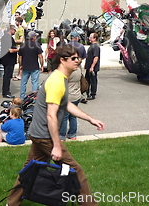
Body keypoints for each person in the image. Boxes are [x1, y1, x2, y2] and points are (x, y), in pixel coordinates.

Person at [6, 44, 105, 206]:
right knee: (76, 171)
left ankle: (11, 203)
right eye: (73, 58)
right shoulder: (57, 81)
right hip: (45, 136)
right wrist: (57, 146)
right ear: (62, 60)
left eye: (78, 58)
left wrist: (90, 119)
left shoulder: (61, 78)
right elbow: (51, 115)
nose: (77, 61)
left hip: (38, 134)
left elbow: (67, 104)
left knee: (29, 171)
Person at [59, 57, 83, 141]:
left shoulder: (69, 72)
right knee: (73, 116)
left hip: (69, 95)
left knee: (64, 116)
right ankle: (72, 134)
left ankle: (62, 135)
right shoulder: (79, 70)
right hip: (77, 94)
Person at [18, 31, 44, 100]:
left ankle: (22, 97)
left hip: (25, 66)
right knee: (35, 83)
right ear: (33, 37)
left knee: (23, 82)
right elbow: (40, 56)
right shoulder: (37, 45)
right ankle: (34, 98)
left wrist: (20, 65)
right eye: (35, 36)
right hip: (35, 66)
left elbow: (20, 57)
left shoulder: (22, 45)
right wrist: (42, 65)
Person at [0, 25, 19, 98]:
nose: (15, 31)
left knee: (6, 76)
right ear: (10, 30)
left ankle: (5, 91)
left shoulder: (3, 37)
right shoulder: (9, 38)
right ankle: (6, 92)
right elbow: (10, 50)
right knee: (7, 76)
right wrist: (18, 49)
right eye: (14, 30)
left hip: (4, 59)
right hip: (9, 60)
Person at [84, 32, 100, 100]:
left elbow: (96, 57)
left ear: (95, 38)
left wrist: (92, 67)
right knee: (87, 80)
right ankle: (86, 93)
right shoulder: (92, 45)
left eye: (91, 37)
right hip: (89, 66)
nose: (89, 38)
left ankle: (93, 94)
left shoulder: (96, 46)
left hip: (92, 68)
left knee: (93, 80)